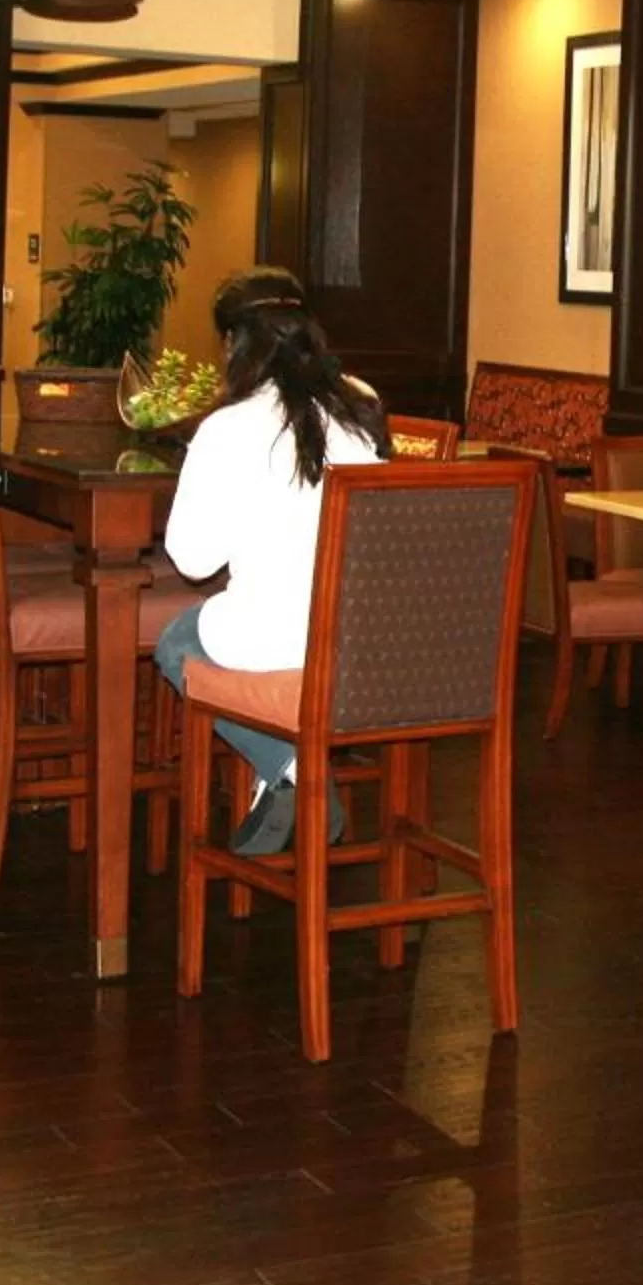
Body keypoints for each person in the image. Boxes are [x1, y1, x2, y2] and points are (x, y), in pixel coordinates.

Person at [150, 267, 388, 855]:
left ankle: (291, 771)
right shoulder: (362, 411)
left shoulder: (227, 429)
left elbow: (193, 559)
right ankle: (286, 777)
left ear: (235, 344)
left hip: (278, 650)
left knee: (174, 645)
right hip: (372, 653)